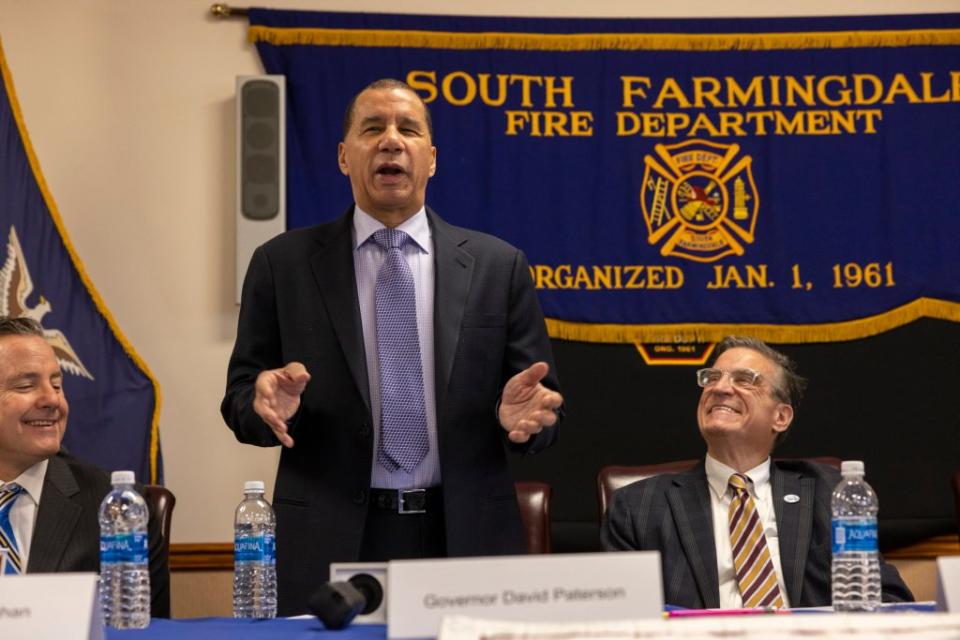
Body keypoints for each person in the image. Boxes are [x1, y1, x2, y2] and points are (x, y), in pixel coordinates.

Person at [222, 78, 563, 615]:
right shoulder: (281, 264)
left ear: (431, 159)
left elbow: (543, 412)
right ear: (343, 156)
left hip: (464, 534)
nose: (391, 140)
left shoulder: (498, 267)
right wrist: (262, 404)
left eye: (408, 129)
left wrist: (517, 419)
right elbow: (240, 400)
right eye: (372, 128)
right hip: (330, 536)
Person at [602, 335, 911, 609]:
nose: (720, 388)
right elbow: (620, 619)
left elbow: (889, 601)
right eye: (712, 377)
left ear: (781, 416)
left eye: (745, 379)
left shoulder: (827, 491)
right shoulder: (638, 507)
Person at [0, 316, 169, 616]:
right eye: (27, 385)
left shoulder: (116, 509)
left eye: (57, 384)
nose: (52, 400)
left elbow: (147, 631)